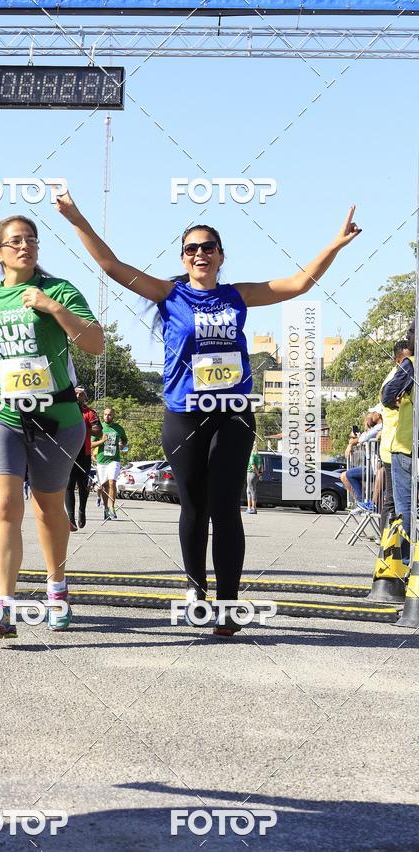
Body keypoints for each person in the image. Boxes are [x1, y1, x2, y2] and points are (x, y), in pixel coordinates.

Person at [57, 191, 361, 636]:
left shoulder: (237, 296)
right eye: (191, 249)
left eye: (208, 247)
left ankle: (229, 604)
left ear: (220, 256)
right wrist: (76, 217)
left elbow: (298, 284)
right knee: (194, 508)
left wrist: (333, 245)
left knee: (226, 507)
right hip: (184, 415)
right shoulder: (169, 293)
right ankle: (196, 590)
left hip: (233, 413)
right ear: (184, 257)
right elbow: (111, 266)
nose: (200, 254)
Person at [0, 214, 103, 638]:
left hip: (56, 417)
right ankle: (4, 603)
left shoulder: (59, 290)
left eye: (32, 240)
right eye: (16, 241)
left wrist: (52, 308)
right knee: (4, 505)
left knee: (47, 508)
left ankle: (57, 589)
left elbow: (95, 344)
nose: (26, 247)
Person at [382, 327, 415, 565]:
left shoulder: (410, 364)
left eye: (412, 331)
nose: (408, 335)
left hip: (406, 447)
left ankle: (407, 562)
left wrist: (396, 399)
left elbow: (387, 396)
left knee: (404, 507)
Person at [65, 386, 101, 531]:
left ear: (85, 397)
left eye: (81, 394)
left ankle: (82, 511)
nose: (78, 395)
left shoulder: (90, 413)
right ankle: (70, 518)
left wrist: (81, 426)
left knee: (82, 485)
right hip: (68, 453)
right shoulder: (65, 411)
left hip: (84, 453)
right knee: (69, 485)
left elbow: (98, 431)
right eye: (75, 393)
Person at [91, 407, 128, 521]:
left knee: (112, 482)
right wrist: (102, 441)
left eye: (110, 415)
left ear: (113, 416)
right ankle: (106, 509)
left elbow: (125, 440)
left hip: (114, 460)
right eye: (105, 414)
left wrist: (122, 444)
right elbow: (91, 444)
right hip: (102, 461)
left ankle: (112, 507)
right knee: (104, 486)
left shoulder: (118, 428)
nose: (107, 416)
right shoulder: (98, 428)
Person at [341, 412, 382, 510]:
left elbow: (363, 438)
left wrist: (353, 442)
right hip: (372, 465)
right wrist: (351, 444)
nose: (366, 419)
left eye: (368, 417)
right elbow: (358, 439)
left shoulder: (379, 427)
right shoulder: (373, 430)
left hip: (377, 467)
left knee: (348, 475)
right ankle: (362, 503)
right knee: (344, 475)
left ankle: (362, 502)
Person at [246, 444, 263, 514]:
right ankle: (249, 507)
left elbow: (253, 465)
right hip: (256, 475)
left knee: (252, 490)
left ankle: (253, 508)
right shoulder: (259, 456)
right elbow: (262, 466)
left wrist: (257, 473)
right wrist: (260, 474)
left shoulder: (252, 455)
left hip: (251, 474)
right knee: (248, 490)